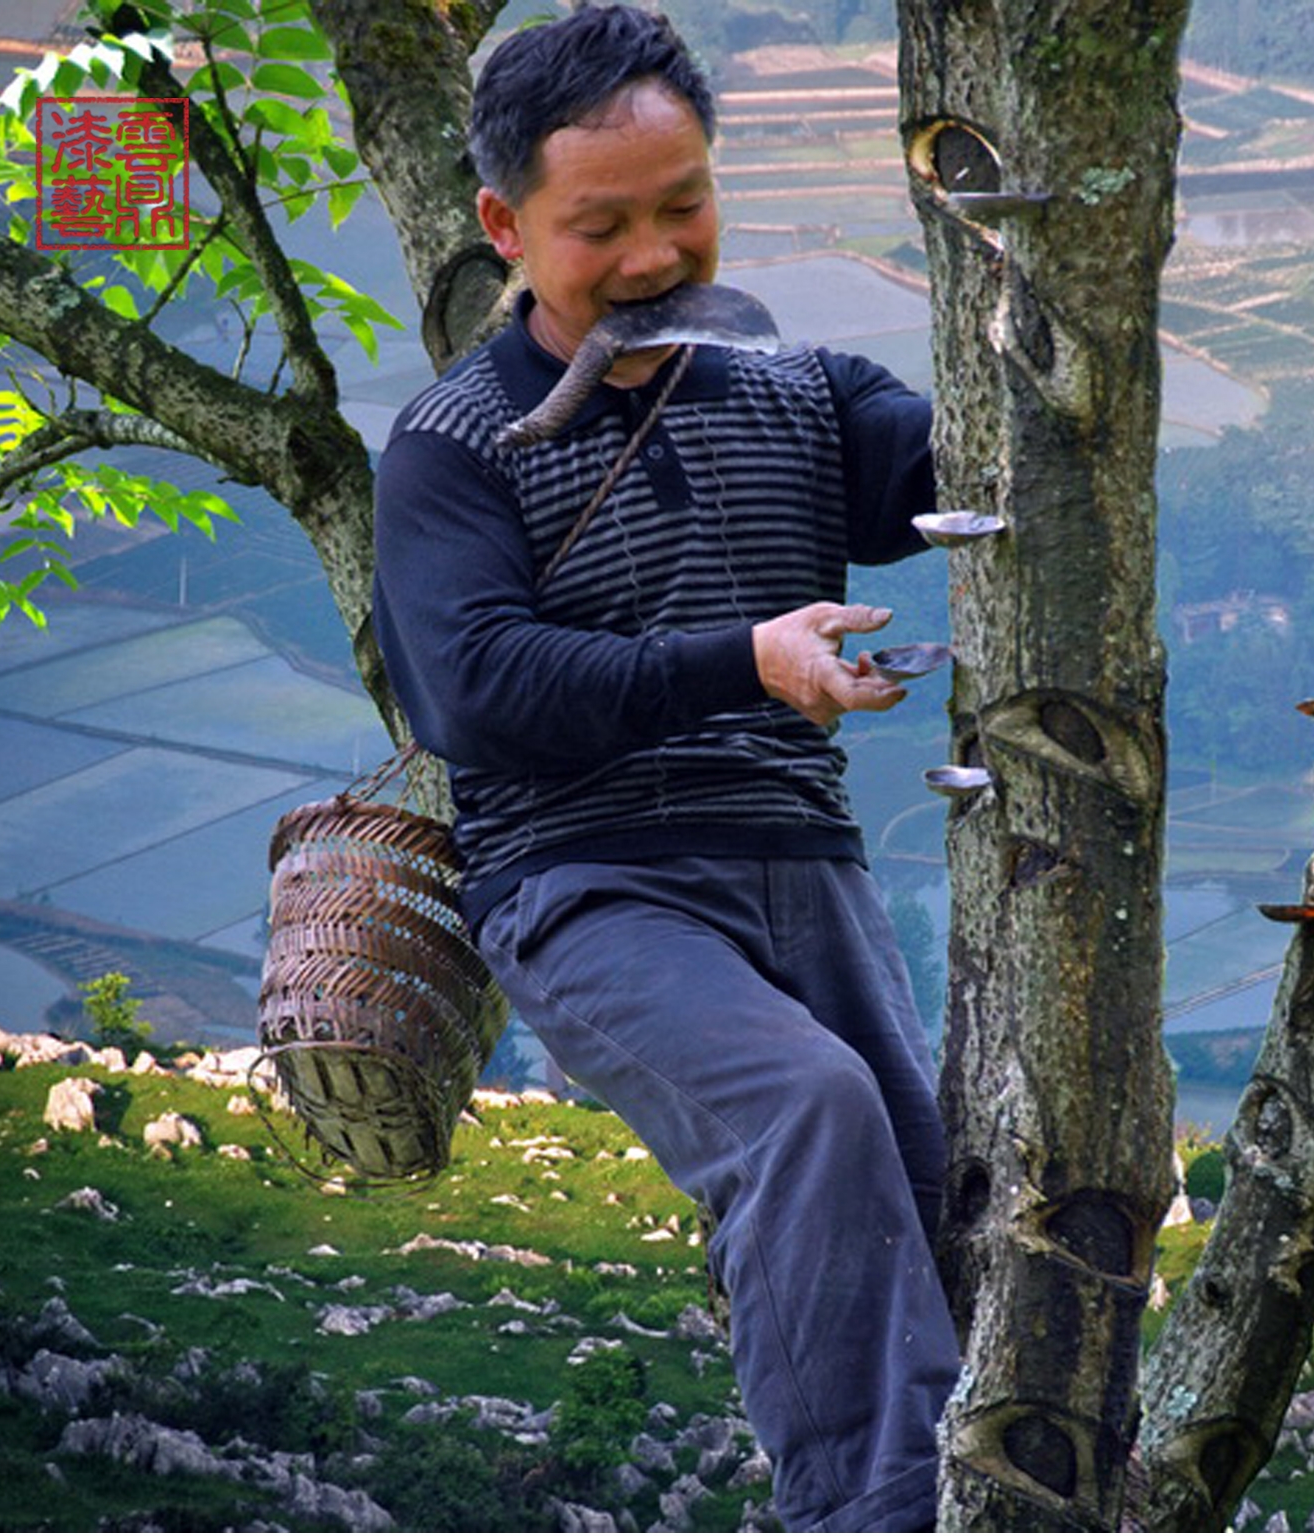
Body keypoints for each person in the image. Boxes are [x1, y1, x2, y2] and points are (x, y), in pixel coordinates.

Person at [370, 6, 960, 1529]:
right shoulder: (452, 446)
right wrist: (744, 662)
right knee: (806, 1113)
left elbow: (941, 465)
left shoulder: (800, 386)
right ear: (505, 227)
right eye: (601, 227)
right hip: (588, 883)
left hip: (798, 858)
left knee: (934, 1186)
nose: (652, 256)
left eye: (683, 206)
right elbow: (479, 689)